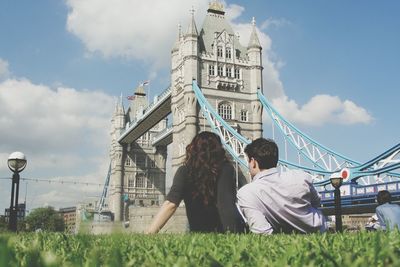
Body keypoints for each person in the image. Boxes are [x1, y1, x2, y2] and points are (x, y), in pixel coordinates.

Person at [146, 131, 245, 233]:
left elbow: (171, 204)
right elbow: (226, 204)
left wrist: (149, 233)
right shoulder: (226, 169)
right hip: (223, 230)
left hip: (198, 231)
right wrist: (234, 233)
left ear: (192, 149)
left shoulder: (184, 171)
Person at [237, 138, 326, 235]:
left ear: (253, 162)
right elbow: (316, 202)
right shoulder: (301, 176)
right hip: (320, 232)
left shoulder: (246, 193)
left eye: (248, 161)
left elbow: (262, 232)